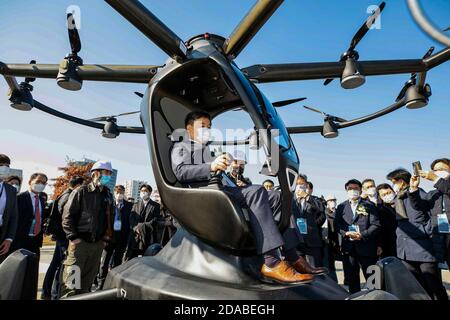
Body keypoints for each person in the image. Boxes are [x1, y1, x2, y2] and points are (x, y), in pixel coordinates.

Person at [170, 111, 316, 284]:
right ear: (189, 128)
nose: (207, 130)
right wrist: (211, 166)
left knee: (277, 197)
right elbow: (180, 172)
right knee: (256, 191)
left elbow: (217, 174)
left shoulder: (206, 149)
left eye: (209, 127)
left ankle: (293, 256)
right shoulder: (182, 147)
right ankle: (271, 261)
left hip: (223, 189)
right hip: (205, 195)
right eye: (203, 126)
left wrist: (230, 181)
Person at [387, 168, 447, 300]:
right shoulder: (399, 197)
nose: (393, 185)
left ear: (401, 181)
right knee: (416, 285)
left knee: (433, 285)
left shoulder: (418, 194)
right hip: (405, 249)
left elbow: (432, 215)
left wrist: (425, 230)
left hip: (422, 249)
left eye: (393, 182)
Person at [60, 161, 114, 297]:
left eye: (109, 174)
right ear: (95, 173)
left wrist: (105, 239)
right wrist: (73, 237)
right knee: (71, 285)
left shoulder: (107, 194)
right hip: (80, 245)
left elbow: (109, 219)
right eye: (106, 173)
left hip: (97, 245)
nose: (108, 176)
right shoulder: (81, 191)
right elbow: (67, 216)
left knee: (86, 286)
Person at [41, 175, 84, 300]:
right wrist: (72, 236)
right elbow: (66, 219)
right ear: (77, 185)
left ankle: (47, 291)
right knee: (67, 265)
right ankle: (56, 292)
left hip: (62, 236)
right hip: (65, 237)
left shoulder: (64, 194)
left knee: (56, 264)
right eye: (82, 186)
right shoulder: (69, 196)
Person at [334, 179, 380, 294]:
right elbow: (337, 224)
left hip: (367, 246)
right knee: (352, 279)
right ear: (346, 190)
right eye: (350, 189)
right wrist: (346, 233)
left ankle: (376, 296)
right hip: (349, 248)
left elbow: (376, 225)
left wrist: (362, 235)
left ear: (360, 190)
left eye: (355, 188)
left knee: (373, 279)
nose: (353, 191)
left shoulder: (369, 205)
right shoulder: (341, 206)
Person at [417, 158, 450, 274]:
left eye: (442, 169)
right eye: (435, 170)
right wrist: (413, 189)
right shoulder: (433, 194)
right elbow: (419, 207)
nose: (438, 172)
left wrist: (436, 179)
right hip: (440, 239)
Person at [97, 185, 132, 289]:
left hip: (122, 238)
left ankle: (113, 284)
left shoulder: (130, 206)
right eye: (117, 192)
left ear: (124, 193)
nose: (119, 194)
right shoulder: (109, 204)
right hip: (109, 238)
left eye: (121, 192)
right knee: (104, 262)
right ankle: (101, 284)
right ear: (114, 193)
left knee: (117, 262)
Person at [12, 173, 48, 257]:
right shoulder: (19, 198)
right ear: (30, 182)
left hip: (35, 241)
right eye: (38, 181)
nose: (41, 184)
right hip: (19, 240)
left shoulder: (42, 200)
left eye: (43, 183)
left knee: (32, 267)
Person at [293, 177, 326, 268]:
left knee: (314, 268)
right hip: (294, 241)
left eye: (302, 184)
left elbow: (321, 213)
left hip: (312, 241)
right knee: (297, 270)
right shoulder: (289, 199)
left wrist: (312, 225)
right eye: (298, 184)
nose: (300, 186)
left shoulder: (314, 200)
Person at [125, 184, 160, 260]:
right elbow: (131, 218)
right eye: (142, 191)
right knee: (130, 258)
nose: (143, 192)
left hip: (147, 236)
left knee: (145, 258)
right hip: (135, 236)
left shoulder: (156, 205)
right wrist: (135, 228)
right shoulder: (135, 204)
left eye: (145, 191)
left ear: (150, 193)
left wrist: (141, 227)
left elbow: (155, 220)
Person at [0, 154, 18, 263]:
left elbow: (14, 216)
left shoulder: (11, 190)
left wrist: (9, 238)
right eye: (1, 165)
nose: (4, 168)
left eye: (7, 166)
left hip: (2, 237)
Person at [376, 183, 397, 258]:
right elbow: (381, 231)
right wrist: (380, 245)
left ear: (393, 191)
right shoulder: (381, 210)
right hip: (389, 246)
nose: (387, 196)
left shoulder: (403, 203)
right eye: (383, 195)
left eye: (388, 193)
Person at [322, 195, 340, 282]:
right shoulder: (324, 213)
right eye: (330, 201)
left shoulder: (338, 212)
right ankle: (333, 281)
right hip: (329, 241)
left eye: (334, 200)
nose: (332, 202)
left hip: (338, 241)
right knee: (329, 263)